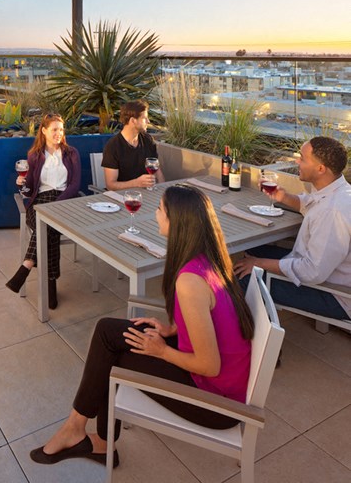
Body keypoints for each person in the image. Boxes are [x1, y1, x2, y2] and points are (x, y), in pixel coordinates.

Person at [30, 184, 254, 468]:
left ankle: (88, 437)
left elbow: (210, 365)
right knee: (107, 332)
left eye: (159, 209)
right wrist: (173, 330)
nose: (155, 213)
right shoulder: (210, 259)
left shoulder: (190, 281)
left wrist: (162, 351)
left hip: (216, 404)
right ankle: (82, 432)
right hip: (219, 383)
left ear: (176, 222)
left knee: (113, 356)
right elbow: (213, 318)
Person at [234, 136, 350, 322]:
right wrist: (282, 196)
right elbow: (311, 204)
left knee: (243, 279)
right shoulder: (337, 190)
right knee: (251, 251)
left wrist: (259, 263)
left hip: (334, 294)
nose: (297, 161)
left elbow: (312, 271)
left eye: (302, 158)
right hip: (324, 271)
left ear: (321, 169)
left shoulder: (333, 212)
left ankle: (249, 336)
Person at [5, 113, 81, 309]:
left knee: (46, 226)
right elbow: (30, 188)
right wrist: (21, 184)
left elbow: (74, 185)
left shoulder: (71, 153)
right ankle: (50, 283)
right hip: (40, 201)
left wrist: (57, 204)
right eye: (54, 129)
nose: (59, 133)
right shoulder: (34, 155)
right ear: (44, 131)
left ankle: (27, 266)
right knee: (46, 227)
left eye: (61, 129)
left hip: (63, 201)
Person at [101, 99, 165, 190]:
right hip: (122, 195)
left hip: (146, 192)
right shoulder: (113, 146)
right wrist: (136, 183)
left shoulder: (148, 140)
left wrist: (163, 191)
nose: (148, 121)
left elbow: (157, 171)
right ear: (133, 120)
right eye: (144, 118)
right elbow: (110, 185)